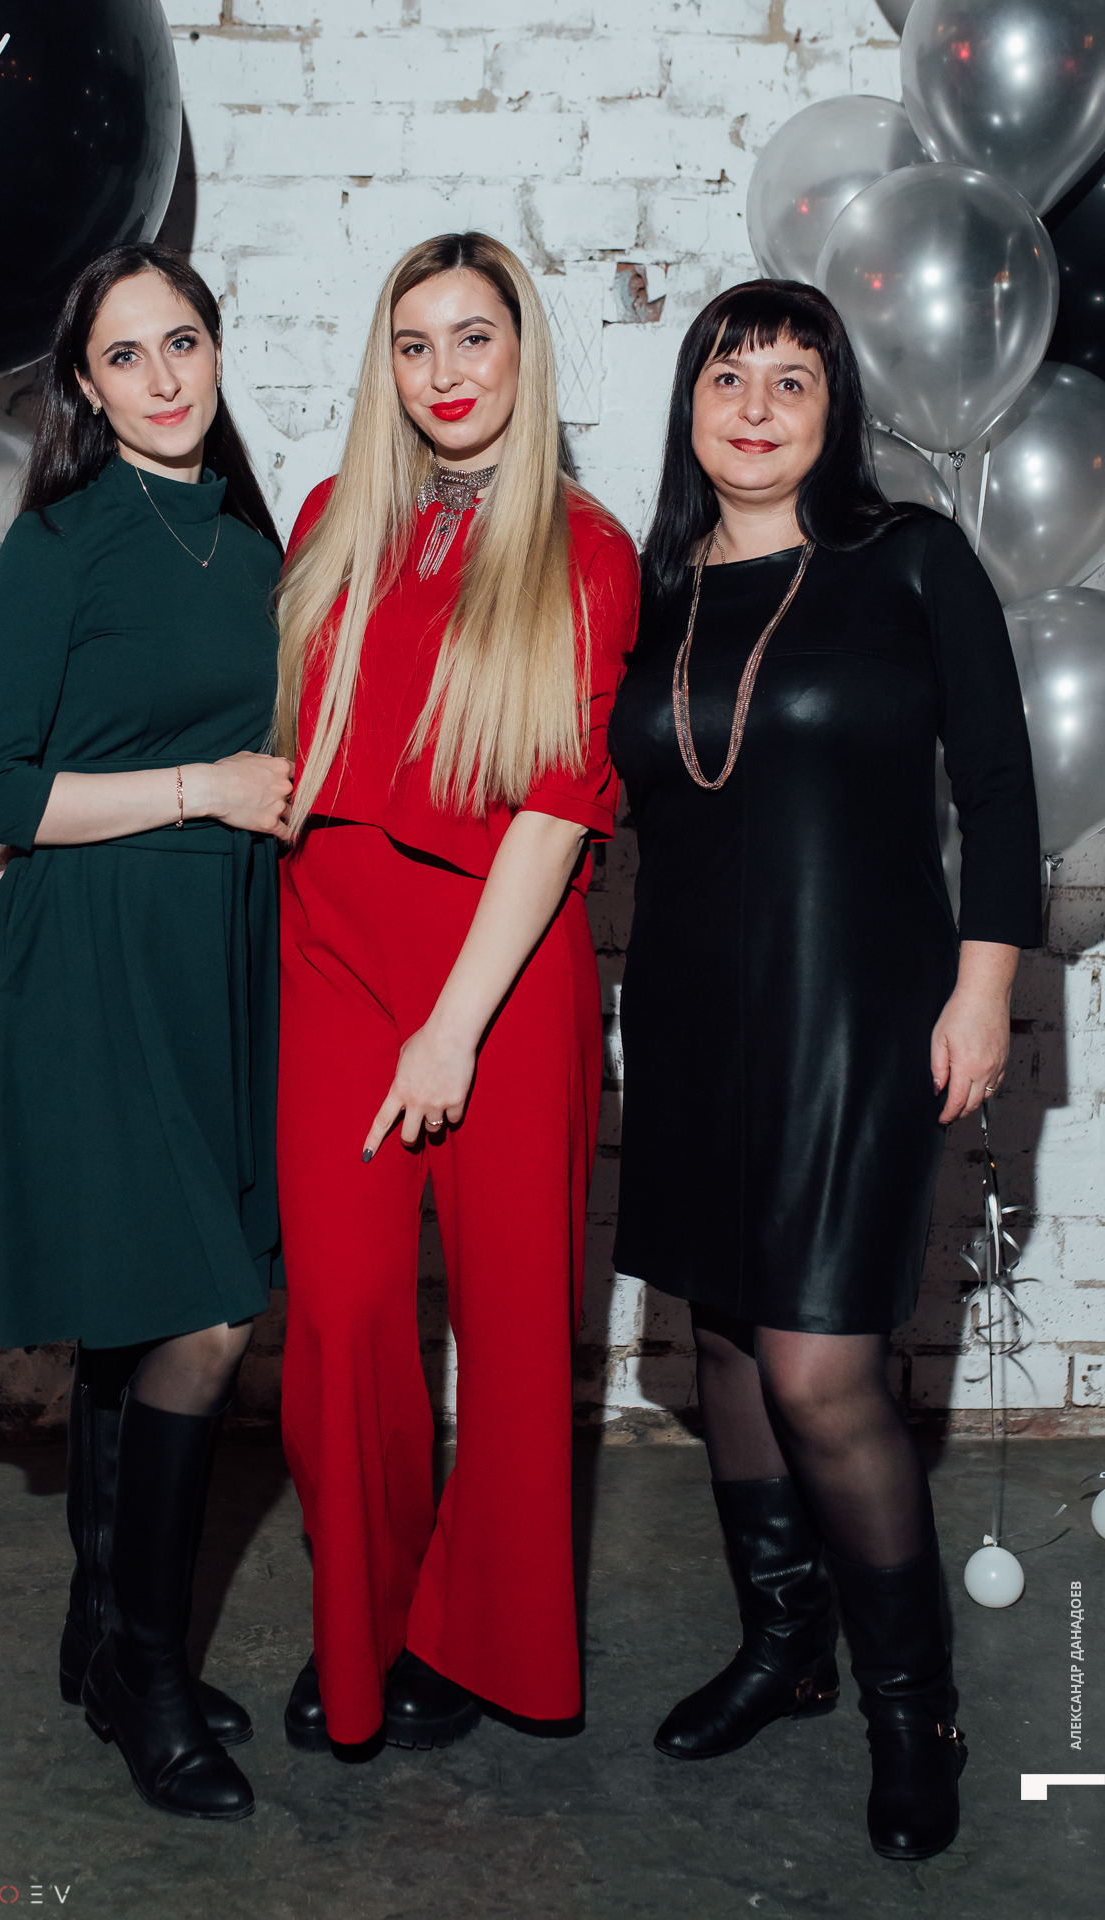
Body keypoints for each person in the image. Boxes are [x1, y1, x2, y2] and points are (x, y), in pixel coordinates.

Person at [606, 279, 1041, 1862]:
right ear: (690, 405)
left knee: (814, 1365)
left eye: (793, 379)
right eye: (729, 376)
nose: (758, 406)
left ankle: (914, 1712)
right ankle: (785, 1649)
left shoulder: (910, 561)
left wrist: (983, 989)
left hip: (862, 1019)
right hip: (689, 1014)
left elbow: (999, 787)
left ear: (835, 409)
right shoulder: (654, 593)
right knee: (725, 1338)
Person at [0, 243, 293, 1823]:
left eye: (181, 341)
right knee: (204, 1315)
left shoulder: (253, 540)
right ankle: (149, 1675)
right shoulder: (63, 541)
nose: (162, 377)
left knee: (152, 1320)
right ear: (84, 383)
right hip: (91, 962)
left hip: (217, 963)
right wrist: (207, 787)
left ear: (215, 348)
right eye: (125, 355)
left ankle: (102, 1638)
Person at [272, 232, 639, 1757]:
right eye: (414, 344)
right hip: (333, 960)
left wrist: (452, 1029)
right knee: (342, 1313)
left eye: (473, 337)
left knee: (513, 1322)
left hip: (500, 972)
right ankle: (363, 1632)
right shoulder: (329, 524)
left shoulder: (587, 548)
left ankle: (483, 1642)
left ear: (522, 350)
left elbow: (556, 811)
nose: (444, 373)